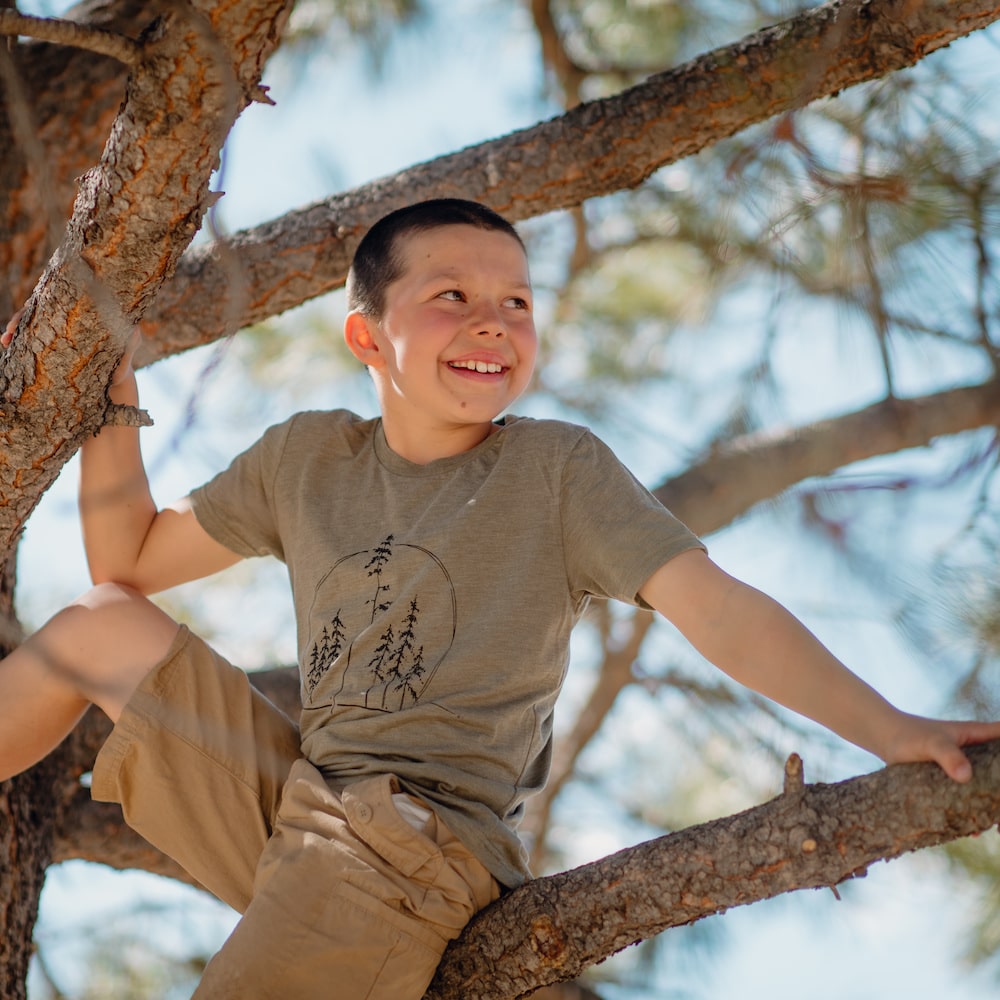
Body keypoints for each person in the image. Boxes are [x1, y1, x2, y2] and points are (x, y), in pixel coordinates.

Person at [1, 198, 998, 999]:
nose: (493, 320)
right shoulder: (306, 458)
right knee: (99, 627)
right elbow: (122, 558)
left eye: (516, 302)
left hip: (411, 843)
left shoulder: (555, 471)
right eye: (451, 294)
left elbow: (720, 609)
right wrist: (112, 400)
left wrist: (887, 725)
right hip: (298, 803)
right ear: (366, 335)